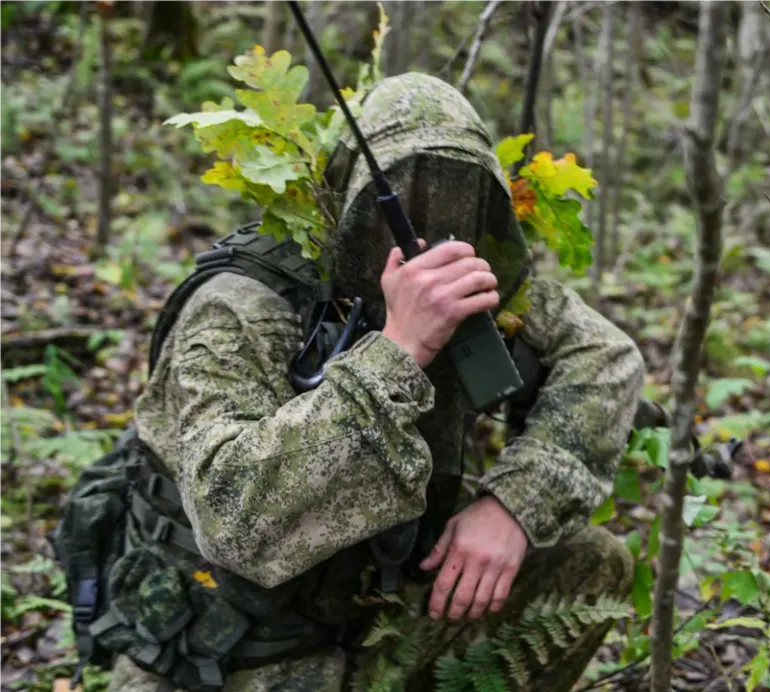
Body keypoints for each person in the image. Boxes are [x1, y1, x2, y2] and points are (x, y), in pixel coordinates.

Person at [101, 72, 645, 691]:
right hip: (228, 658)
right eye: (401, 199)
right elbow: (234, 525)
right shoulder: (242, 306)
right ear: (345, 200)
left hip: (370, 625)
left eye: (459, 198)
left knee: (589, 564)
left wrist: (513, 506)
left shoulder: (475, 279)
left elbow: (606, 356)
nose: (428, 227)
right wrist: (399, 349)